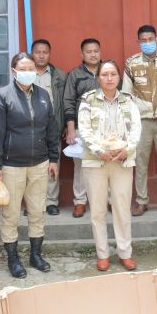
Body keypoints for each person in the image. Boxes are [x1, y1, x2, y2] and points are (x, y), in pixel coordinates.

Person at [0, 53, 60, 278]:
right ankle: (13, 259)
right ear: (14, 71)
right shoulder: (2, 95)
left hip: (40, 163)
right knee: (11, 214)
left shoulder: (43, 95)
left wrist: (54, 158)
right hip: (11, 166)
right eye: (23, 68)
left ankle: (35, 255)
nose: (28, 72)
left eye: (31, 68)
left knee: (37, 211)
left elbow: (51, 128)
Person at [78, 60, 142, 272]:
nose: (109, 78)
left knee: (122, 208)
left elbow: (136, 129)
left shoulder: (128, 100)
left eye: (113, 74)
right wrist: (99, 151)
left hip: (122, 161)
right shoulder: (88, 100)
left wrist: (128, 149)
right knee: (97, 211)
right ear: (98, 78)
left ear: (118, 77)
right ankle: (102, 254)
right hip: (95, 162)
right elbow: (84, 129)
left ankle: (125, 253)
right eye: (104, 74)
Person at [123, 25, 157, 216]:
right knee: (140, 162)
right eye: (143, 40)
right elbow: (126, 94)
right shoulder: (131, 63)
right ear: (138, 42)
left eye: (150, 39)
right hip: (142, 121)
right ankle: (141, 201)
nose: (147, 43)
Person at [63, 38, 102, 218]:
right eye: (89, 51)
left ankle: (107, 200)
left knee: (107, 163)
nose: (93, 54)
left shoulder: (107, 70)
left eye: (96, 51)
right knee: (82, 166)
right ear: (82, 54)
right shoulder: (75, 74)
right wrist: (71, 129)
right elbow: (68, 102)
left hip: (105, 127)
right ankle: (80, 201)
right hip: (82, 127)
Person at [31, 38, 67, 216]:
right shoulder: (26, 73)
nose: (41, 55)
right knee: (31, 167)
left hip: (52, 126)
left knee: (53, 164)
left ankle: (51, 202)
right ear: (32, 54)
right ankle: (34, 203)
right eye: (38, 52)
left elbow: (65, 101)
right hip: (29, 128)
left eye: (45, 52)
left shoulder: (59, 75)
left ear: (49, 54)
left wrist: (65, 124)